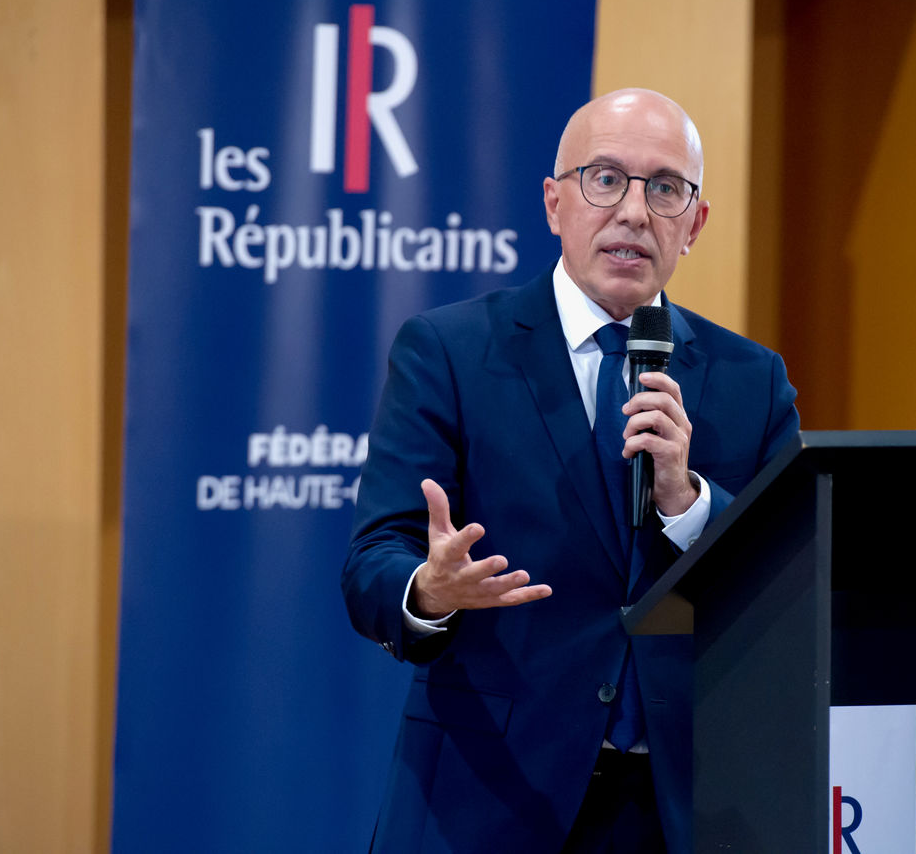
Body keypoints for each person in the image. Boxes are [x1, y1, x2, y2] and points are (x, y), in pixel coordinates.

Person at [341, 88, 799, 853]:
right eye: (606, 179)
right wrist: (429, 590)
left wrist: (689, 504)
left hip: (684, 809)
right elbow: (372, 562)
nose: (634, 212)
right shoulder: (450, 351)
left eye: (665, 188)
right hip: (487, 800)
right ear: (555, 203)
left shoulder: (751, 381)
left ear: (694, 224)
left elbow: (788, 583)